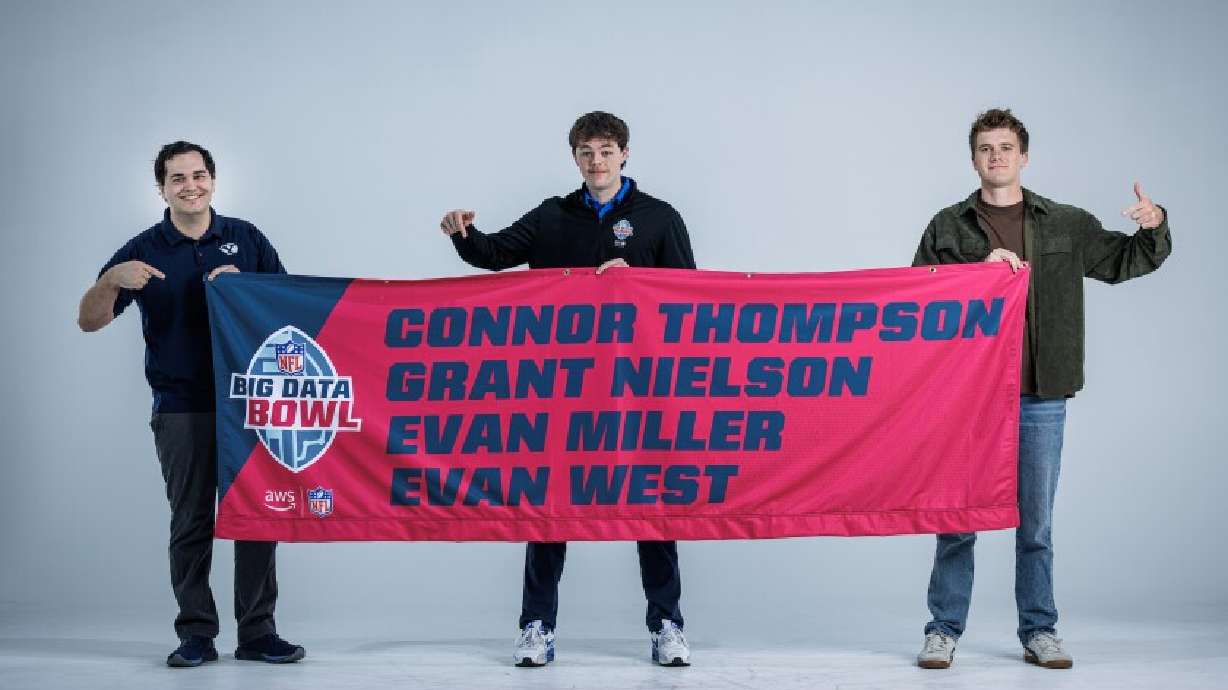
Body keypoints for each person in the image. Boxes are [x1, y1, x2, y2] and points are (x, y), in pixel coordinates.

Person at [911, 109, 1172, 670]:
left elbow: (1125, 261)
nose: (996, 157)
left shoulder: (1065, 223)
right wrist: (977, 270)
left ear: (1024, 157)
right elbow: (919, 297)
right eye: (986, 148)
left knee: (1036, 523)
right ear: (974, 157)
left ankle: (1039, 631)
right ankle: (942, 629)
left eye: (1006, 147)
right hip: (968, 396)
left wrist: (1154, 225)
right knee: (957, 518)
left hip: (1040, 392)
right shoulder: (948, 226)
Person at [439, 111, 697, 668]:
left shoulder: (658, 218)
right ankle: (536, 626)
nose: (596, 161)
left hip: (636, 390)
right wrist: (464, 234)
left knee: (649, 506)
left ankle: (667, 625)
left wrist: (639, 282)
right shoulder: (553, 216)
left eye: (605, 150)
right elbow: (497, 254)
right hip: (565, 390)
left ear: (625, 154)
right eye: (586, 152)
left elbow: (687, 295)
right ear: (575, 159)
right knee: (550, 507)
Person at [78, 141, 305, 668]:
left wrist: (249, 288)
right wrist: (110, 280)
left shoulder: (247, 240)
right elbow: (89, 321)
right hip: (181, 404)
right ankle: (197, 634)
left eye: (198, 175)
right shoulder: (142, 250)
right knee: (191, 520)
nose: (190, 186)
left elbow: (290, 315)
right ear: (161, 188)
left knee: (255, 517)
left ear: (213, 180)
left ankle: (257, 633)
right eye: (177, 179)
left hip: (250, 402)